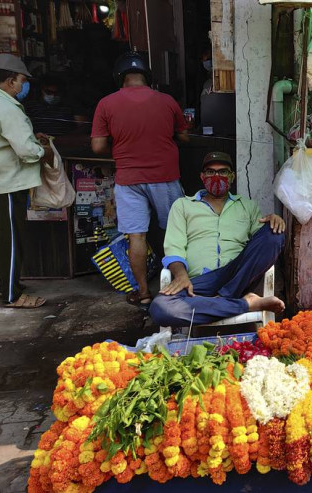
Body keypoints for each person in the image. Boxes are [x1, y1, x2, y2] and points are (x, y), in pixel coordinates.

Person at [91, 52, 189, 309]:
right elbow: (185, 137)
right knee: (175, 232)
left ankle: (144, 292)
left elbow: (98, 146)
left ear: (119, 78)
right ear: (148, 76)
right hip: (165, 176)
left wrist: (120, 142)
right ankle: (184, 285)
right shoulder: (167, 101)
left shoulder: (106, 104)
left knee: (136, 236)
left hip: (128, 178)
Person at [149, 152, 286, 327]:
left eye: (222, 172)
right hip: (198, 282)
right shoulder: (182, 205)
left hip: (236, 274)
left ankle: (223, 298)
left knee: (274, 234)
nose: (216, 176)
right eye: (210, 172)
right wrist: (181, 276)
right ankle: (247, 303)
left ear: (232, 176)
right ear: (202, 176)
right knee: (160, 308)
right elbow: (173, 248)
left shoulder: (247, 206)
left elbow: (262, 245)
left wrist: (275, 220)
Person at [0, 54, 53, 309]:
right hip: (7, 185)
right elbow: (26, 150)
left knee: (4, 239)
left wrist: (30, 137)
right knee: (12, 241)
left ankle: (9, 286)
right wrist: (42, 149)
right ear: (10, 81)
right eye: (21, 80)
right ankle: (12, 295)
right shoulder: (6, 107)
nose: (23, 86)